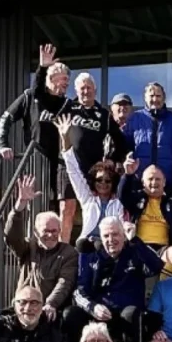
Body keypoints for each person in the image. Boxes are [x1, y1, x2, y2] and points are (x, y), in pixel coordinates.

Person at [67, 217, 164, 342]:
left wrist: (136, 240)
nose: (111, 240)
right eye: (106, 236)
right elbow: (80, 290)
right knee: (70, 314)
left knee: (131, 314)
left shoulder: (135, 250)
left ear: (124, 235)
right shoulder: (91, 254)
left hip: (125, 313)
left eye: (115, 234)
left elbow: (157, 266)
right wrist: (92, 307)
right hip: (99, 311)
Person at [58, 71, 128, 243]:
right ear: (76, 90)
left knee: (95, 208)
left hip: (93, 171)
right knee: (67, 208)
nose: (85, 91)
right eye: (82, 88)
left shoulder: (103, 115)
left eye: (89, 88)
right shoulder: (67, 108)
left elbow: (120, 141)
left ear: (95, 90)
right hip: (69, 166)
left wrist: (113, 159)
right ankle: (62, 250)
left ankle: (98, 241)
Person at [4, 175, 78, 319]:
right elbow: (11, 237)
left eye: (54, 231)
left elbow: (64, 283)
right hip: (23, 307)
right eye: (46, 231)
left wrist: (50, 303)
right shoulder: (28, 247)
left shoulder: (68, 253)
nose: (50, 235)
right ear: (36, 232)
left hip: (49, 309)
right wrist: (20, 206)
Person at [8, 44, 69, 197]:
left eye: (67, 80)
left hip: (60, 161)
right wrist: (42, 67)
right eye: (62, 79)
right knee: (35, 198)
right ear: (51, 79)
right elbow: (36, 91)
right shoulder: (34, 97)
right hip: (37, 160)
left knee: (58, 200)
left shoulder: (68, 104)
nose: (66, 83)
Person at [55, 115, 126, 246]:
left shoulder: (119, 201)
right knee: (82, 245)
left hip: (110, 245)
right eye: (99, 180)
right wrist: (65, 139)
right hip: (87, 243)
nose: (103, 183)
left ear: (113, 182)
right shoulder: (88, 198)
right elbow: (73, 171)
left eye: (107, 180)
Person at [124, 82, 172, 196]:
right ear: (145, 98)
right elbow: (125, 146)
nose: (155, 99)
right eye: (151, 96)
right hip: (139, 181)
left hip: (165, 182)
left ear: (164, 98)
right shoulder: (135, 119)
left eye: (158, 96)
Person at [120, 157, 172, 251]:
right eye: (150, 179)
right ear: (143, 182)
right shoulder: (137, 199)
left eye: (158, 179)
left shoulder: (171, 203)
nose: (154, 182)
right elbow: (122, 196)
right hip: (139, 247)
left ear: (164, 182)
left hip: (164, 250)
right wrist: (128, 175)